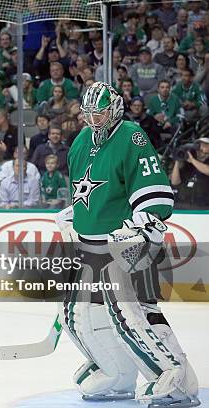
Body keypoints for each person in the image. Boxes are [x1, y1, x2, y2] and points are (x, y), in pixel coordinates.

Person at [59, 81, 199, 407]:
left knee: (131, 312)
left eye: (102, 111)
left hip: (125, 244)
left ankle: (177, 381)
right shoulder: (81, 141)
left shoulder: (132, 136)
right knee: (76, 314)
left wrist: (142, 226)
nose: (95, 119)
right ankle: (117, 374)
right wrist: (72, 217)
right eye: (90, 113)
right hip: (90, 247)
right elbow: (85, 194)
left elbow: (155, 193)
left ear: (116, 107)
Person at [170, 137, 209, 209]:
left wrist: (192, 160)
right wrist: (177, 161)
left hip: (203, 207)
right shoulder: (188, 163)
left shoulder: (192, 160)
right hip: (184, 204)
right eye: (200, 151)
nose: (202, 154)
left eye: (206, 153)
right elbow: (175, 182)